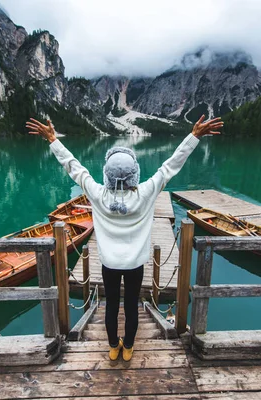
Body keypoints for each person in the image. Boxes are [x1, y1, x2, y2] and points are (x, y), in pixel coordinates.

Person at [26, 115, 223, 361]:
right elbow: (171, 165)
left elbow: (74, 167)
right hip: (135, 265)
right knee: (131, 306)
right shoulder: (146, 193)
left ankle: (112, 347)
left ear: (107, 174)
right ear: (135, 173)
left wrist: (53, 139)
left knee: (110, 306)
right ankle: (128, 347)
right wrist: (194, 136)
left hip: (108, 264)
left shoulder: (98, 194)